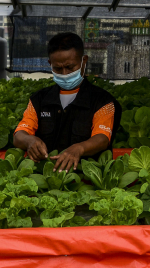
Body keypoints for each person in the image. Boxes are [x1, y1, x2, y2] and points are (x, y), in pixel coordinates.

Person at [13, 32, 121, 172]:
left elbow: (102, 139)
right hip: (45, 177)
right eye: (58, 68)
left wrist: (79, 148)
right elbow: (19, 135)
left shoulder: (103, 101)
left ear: (84, 61)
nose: (64, 74)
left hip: (85, 180)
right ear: (50, 64)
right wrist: (30, 141)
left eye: (70, 67)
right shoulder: (39, 99)